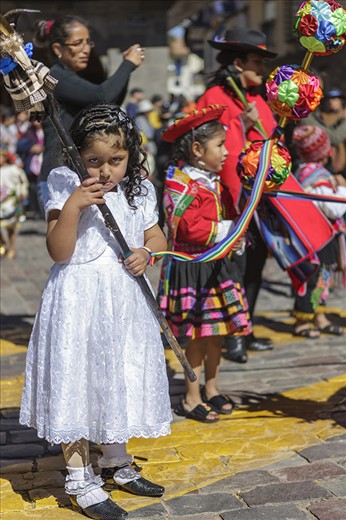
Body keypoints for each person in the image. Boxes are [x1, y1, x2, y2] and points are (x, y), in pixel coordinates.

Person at [19, 103, 172, 520]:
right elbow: (59, 250)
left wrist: (146, 252)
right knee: (78, 379)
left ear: (131, 155)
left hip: (122, 300)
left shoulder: (139, 187)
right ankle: (80, 478)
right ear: (76, 156)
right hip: (78, 297)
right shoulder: (64, 181)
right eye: (94, 161)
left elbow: (155, 235)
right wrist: (73, 206)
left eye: (116, 161)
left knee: (117, 376)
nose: (106, 171)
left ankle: (115, 461)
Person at [158, 105, 252, 423]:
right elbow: (189, 227)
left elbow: (227, 215)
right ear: (198, 150)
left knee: (216, 332)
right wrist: (228, 230)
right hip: (192, 267)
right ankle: (191, 396)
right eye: (220, 145)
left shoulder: (212, 182)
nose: (226, 152)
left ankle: (211, 387)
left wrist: (236, 238)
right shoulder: (180, 185)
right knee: (197, 334)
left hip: (216, 265)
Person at [196, 27, 278, 360]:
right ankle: (232, 335)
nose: (262, 69)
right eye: (257, 62)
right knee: (235, 268)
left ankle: (246, 328)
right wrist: (241, 125)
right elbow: (203, 146)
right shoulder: (213, 98)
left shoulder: (260, 98)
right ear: (237, 62)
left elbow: (272, 143)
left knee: (256, 265)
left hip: (261, 199)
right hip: (230, 203)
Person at [33, 15, 145, 212]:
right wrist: (127, 65)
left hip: (76, 174)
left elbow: (108, 104)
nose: (86, 49)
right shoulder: (54, 76)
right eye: (78, 43)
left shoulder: (68, 76)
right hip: (61, 177)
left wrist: (126, 70)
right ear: (58, 49)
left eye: (88, 42)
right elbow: (102, 96)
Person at [291, 125, 346, 337]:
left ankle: (318, 315)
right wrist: (341, 187)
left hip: (314, 237)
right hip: (319, 239)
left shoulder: (303, 171)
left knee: (322, 278)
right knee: (314, 279)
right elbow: (334, 208)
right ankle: (302, 320)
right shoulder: (317, 177)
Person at [0, 145, 29, 259]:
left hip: (10, 203)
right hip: (1, 204)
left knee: (10, 227)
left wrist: (23, 192)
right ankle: (3, 244)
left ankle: (12, 247)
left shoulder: (14, 170)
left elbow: (23, 182)